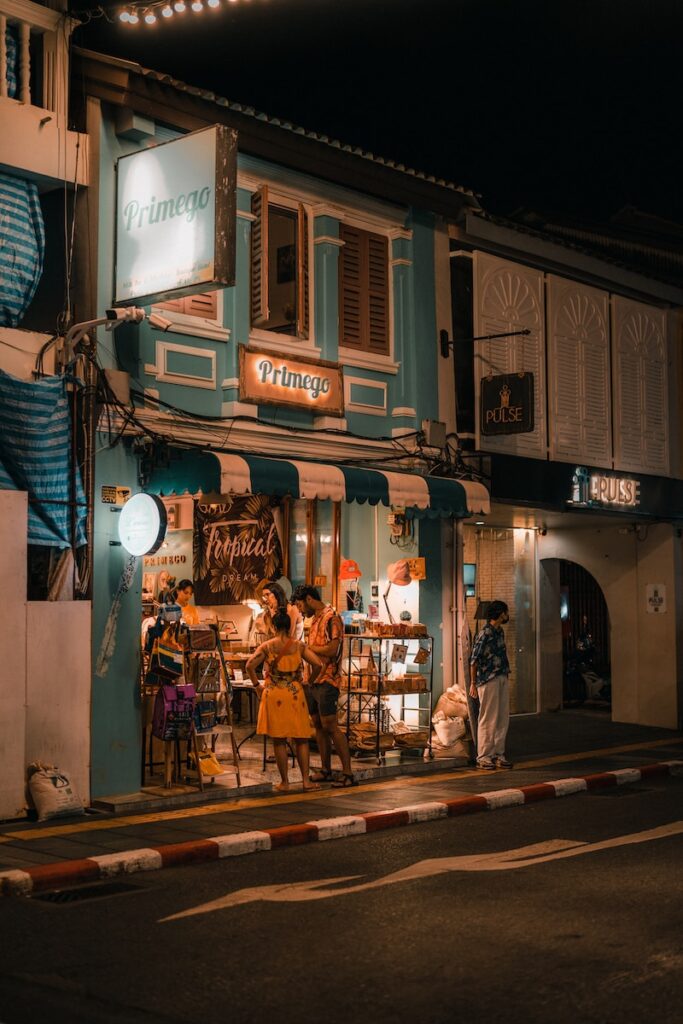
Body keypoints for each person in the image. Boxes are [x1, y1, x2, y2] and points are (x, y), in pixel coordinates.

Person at [246, 610, 322, 793]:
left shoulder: (267, 646)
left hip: (274, 695)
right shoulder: (299, 646)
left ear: (273, 626)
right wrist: (309, 682)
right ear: (289, 627)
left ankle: (285, 782)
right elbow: (318, 664)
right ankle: (305, 781)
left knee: (279, 741)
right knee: (301, 739)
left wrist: (257, 685)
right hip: (295, 694)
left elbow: (249, 665)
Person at [292, 584, 355, 788]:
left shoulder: (331, 618)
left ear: (310, 599)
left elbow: (333, 649)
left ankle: (347, 773)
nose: (300, 610)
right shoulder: (316, 619)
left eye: (301, 605)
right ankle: (326, 770)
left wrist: (307, 648)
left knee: (331, 726)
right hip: (313, 680)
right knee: (318, 725)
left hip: (328, 679)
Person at [469, 600, 513, 770]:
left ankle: (498, 754)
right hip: (487, 680)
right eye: (505, 611)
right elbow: (474, 660)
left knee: (502, 717)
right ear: (500, 613)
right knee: (488, 718)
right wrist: (473, 683)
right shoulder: (484, 634)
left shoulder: (499, 632)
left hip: (501, 676)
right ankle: (484, 756)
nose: (507, 615)